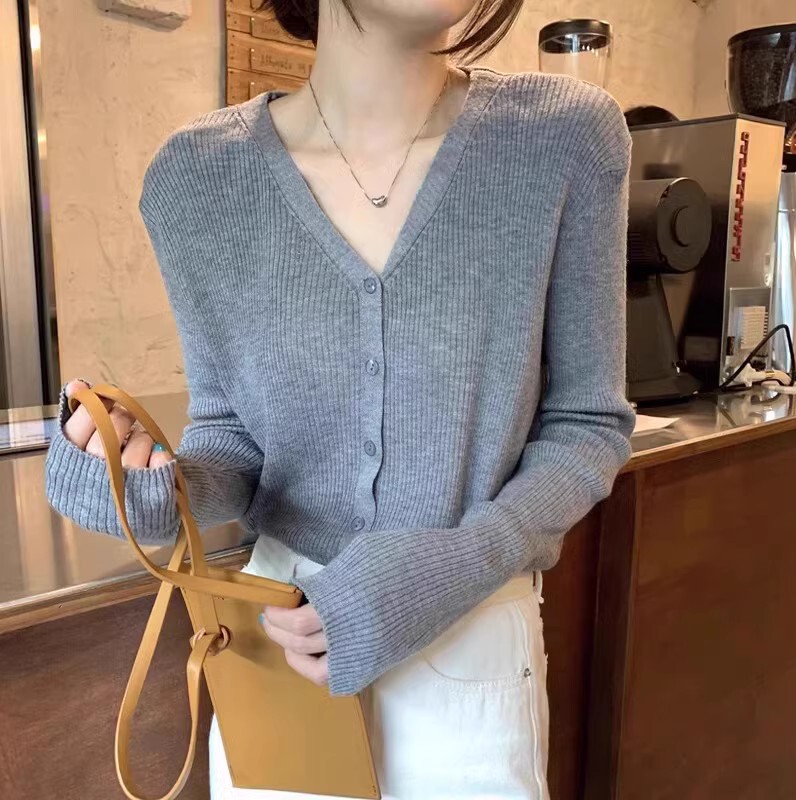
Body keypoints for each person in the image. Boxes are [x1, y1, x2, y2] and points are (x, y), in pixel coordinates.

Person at [43, 0, 636, 797]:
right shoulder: (196, 176)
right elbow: (233, 436)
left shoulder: (562, 136)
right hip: (281, 643)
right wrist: (152, 489)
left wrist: (455, 565)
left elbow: (586, 423)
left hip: (470, 641)